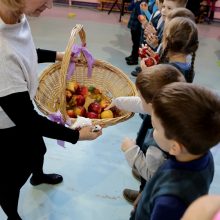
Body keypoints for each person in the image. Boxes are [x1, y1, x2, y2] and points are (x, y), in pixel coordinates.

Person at [0, 0, 102, 219]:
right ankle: (12, 215)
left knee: (38, 150)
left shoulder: (16, 14)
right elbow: (28, 120)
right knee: (12, 178)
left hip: (20, 111)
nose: (51, 5)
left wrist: (57, 55)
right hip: (7, 126)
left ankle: (38, 175)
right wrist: (75, 136)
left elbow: (25, 52)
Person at [130, 82, 220, 220]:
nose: (152, 131)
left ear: (175, 147)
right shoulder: (202, 154)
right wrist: (147, 195)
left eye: (156, 129)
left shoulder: (169, 204)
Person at [126, 0, 148, 65]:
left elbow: (140, 13)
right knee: (134, 41)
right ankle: (132, 55)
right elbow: (129, 8)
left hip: (137, 26)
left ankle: (134, 59)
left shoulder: (143, 2)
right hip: (133, 24)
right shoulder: (136, 1)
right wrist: (134, 1)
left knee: (136, 43)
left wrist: (138, 3)